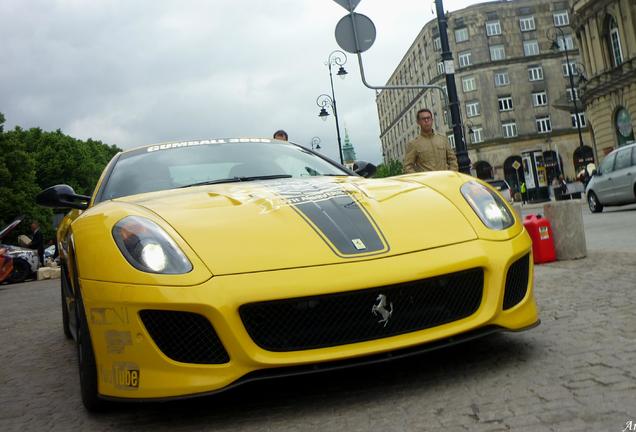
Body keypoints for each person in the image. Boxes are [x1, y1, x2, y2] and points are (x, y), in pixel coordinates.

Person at [403, 108, 458, 173]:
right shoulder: (414, 144)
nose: (426, 121)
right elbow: (408, 166)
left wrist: (451, 174)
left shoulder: (442, 140)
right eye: (423, 119)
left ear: (432, 120)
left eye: (428, 118)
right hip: (426, 181)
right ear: (418, 122)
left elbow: (452, 159)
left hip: (444, 179)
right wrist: (419, 179)